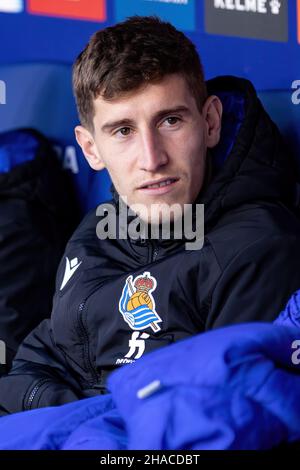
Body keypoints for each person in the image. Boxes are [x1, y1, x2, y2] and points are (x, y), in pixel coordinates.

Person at [1, 15, 300, 415]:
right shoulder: (97, 231)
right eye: (123, 131)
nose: (152, 159)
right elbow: (33, 365)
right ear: (91, 148)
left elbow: (209, 422)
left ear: (209, 123)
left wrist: (77, 414)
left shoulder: (258, 250)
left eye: (170, 121)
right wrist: (75, 411)